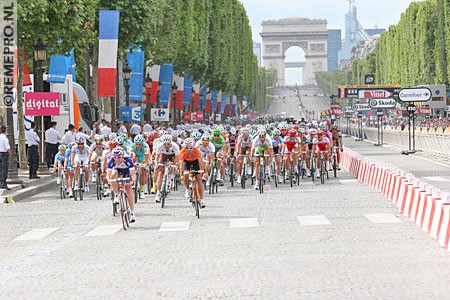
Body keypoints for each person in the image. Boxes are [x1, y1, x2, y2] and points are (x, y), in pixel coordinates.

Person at [107, 146, 137, 222]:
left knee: (128, 188)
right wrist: (109, 181)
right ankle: (117, 194)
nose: (117, 159)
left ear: (122, 156)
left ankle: (132, 212)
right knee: (113, 176)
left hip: (126, 171)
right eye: (115, 157)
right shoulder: (111, 161)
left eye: (119, 157)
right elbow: (109, 175)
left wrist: (132, 181)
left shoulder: (128, 160)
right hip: (117, 170)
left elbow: (133, 174)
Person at [179, 138, 206, 207]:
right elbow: (181, 163)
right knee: (185, 175)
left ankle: (201, 199)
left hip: (195, 162)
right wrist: (181, 173)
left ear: (193, 146)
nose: (189, 149)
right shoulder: (182, 151)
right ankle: (187, 189)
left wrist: (202, 171)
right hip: (186, 162)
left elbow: (200, 161)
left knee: (199, 178)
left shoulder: (197, 150)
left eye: (190, 147)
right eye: (187, 147)